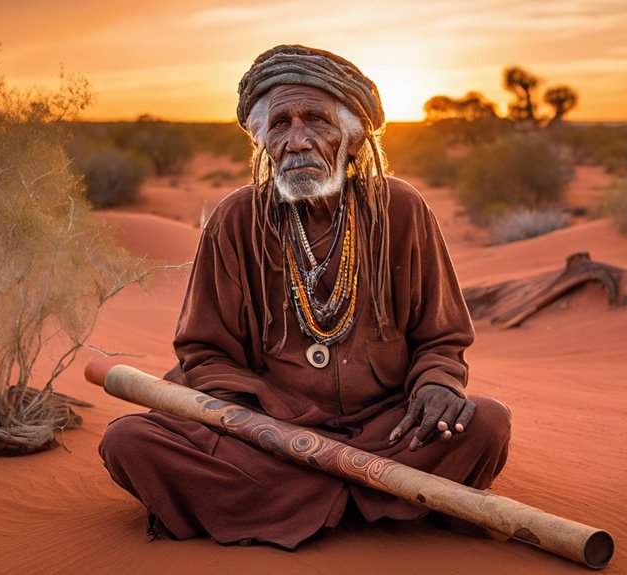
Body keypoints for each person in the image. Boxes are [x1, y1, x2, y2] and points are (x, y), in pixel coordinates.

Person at [99, 44, 511, 549]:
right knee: (130, 442)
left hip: (388, 428)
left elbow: (442, 338)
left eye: (316, 120)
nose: (297, 140)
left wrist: (438, 384)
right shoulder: (236, 220)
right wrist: (269, 423)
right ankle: (381, 494)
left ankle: (301, 499)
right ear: (262, 142)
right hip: (272, 436)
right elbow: (204, 354)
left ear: (353, 138)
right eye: (280, 125)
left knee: (486, 423)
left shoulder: (402, 210)